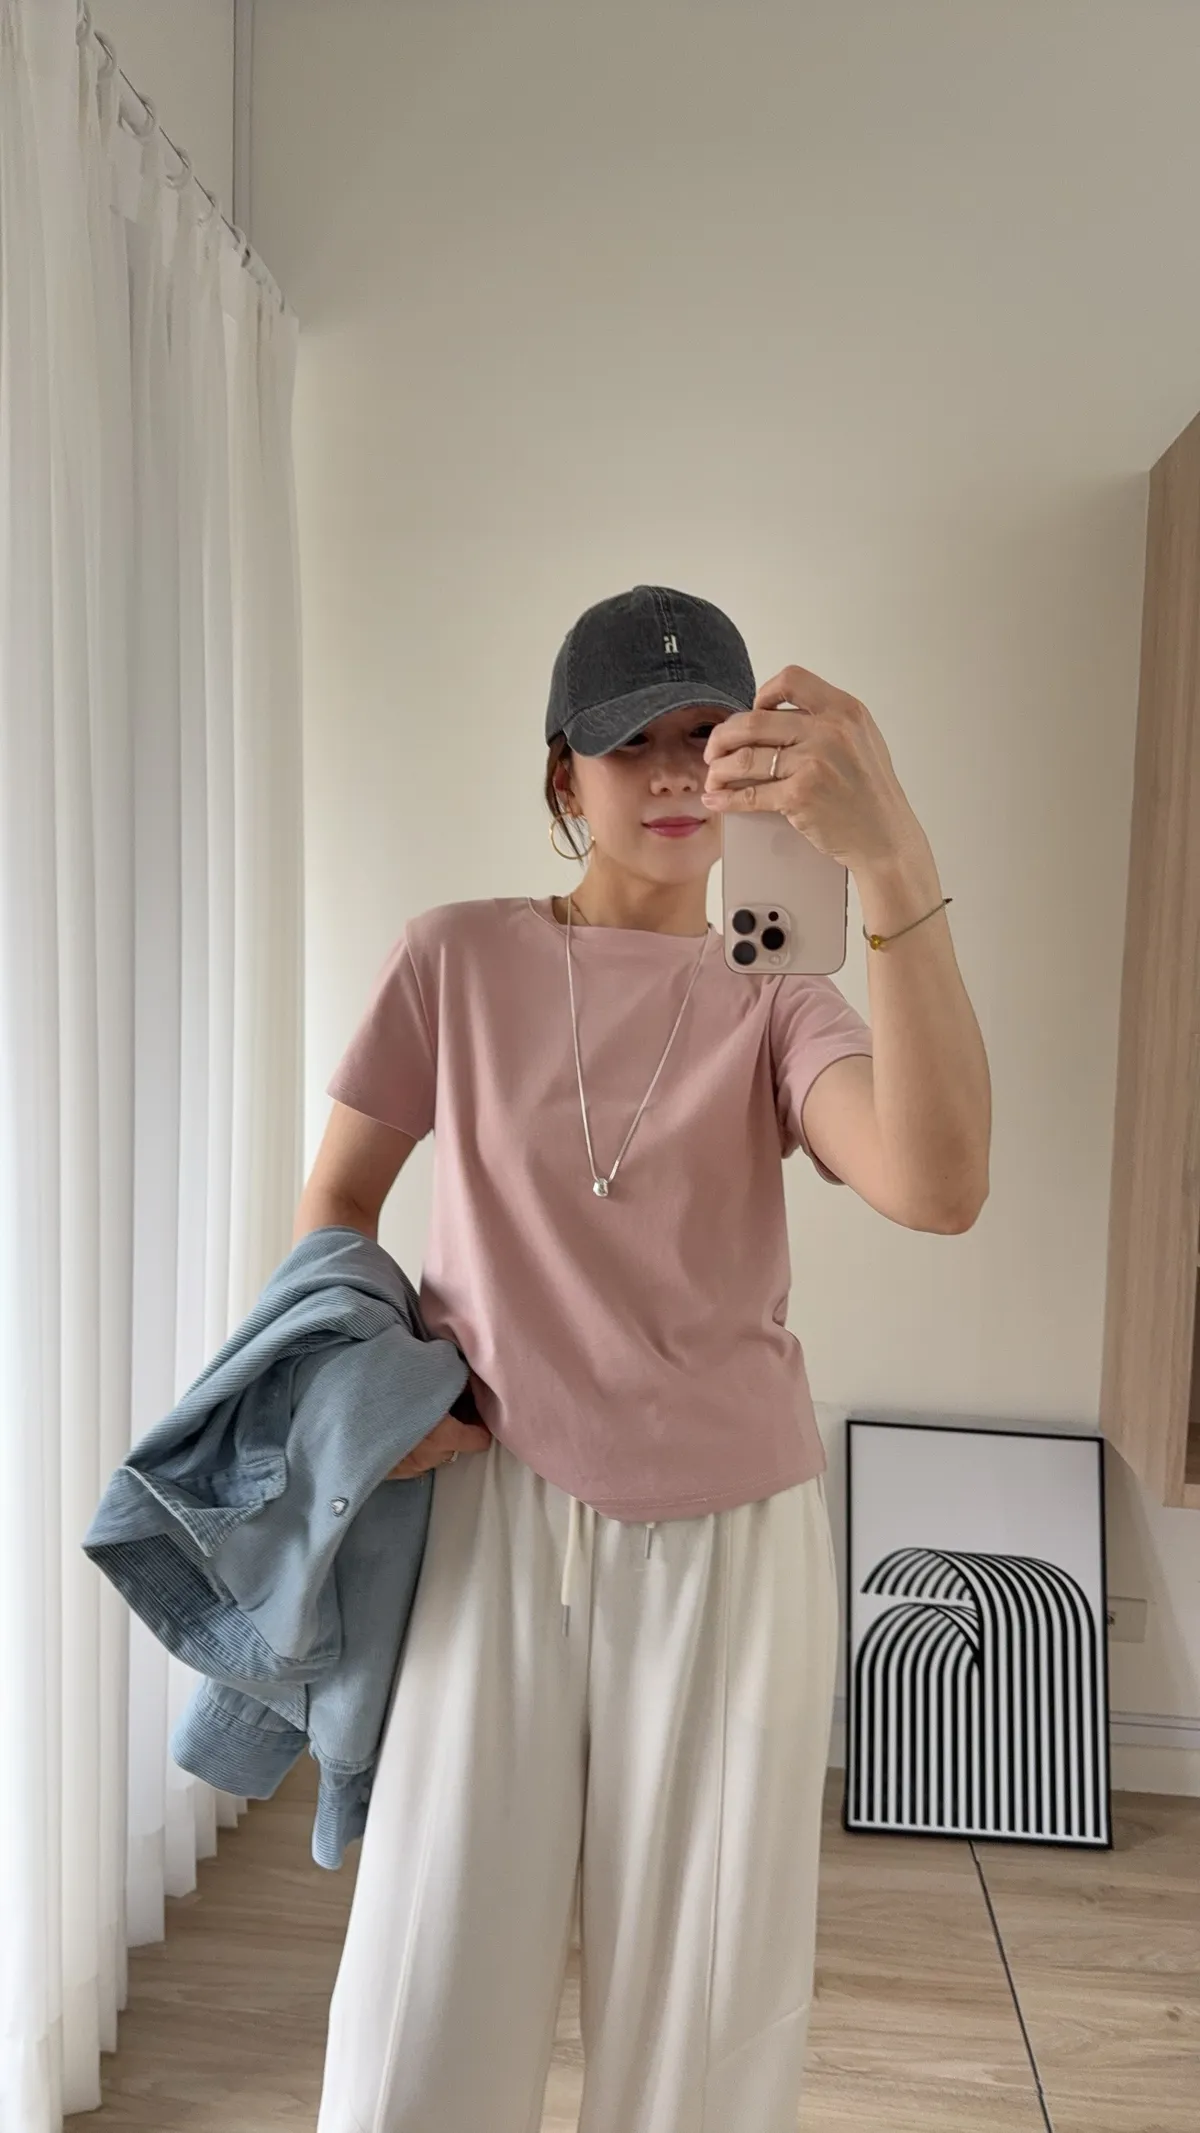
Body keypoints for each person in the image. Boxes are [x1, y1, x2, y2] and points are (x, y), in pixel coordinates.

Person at [305, 585, 991, 2133]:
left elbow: (939, 1188)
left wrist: (892, 863)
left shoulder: (783, 992)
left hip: (732, 1544)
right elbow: (336, 1204)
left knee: (710, 2015)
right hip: (494, 1517)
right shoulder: (455, 959)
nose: (677, 773)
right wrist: (365, 1393)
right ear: (564, 772)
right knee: (426, 1986)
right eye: (633, 744)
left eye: (710, 740)